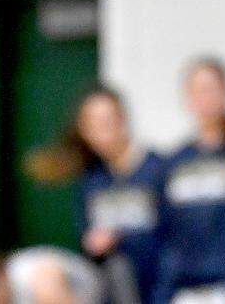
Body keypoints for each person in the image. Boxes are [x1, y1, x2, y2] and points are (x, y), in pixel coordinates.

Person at [155, 58, 225, 304]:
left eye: (212, 89)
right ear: (187, 97)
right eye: (198, 91)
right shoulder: (173, 164)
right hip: (183, 291)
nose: (206, 98)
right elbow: (164, 230)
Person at [70, 86, 164, 304]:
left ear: (123, 119)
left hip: (158, 285)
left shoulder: (158, 169)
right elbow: (85, 238)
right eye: (93, 125)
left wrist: (123, 237)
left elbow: (175, 237)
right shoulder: (89, 180)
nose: (102, 131)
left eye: (107, 121)